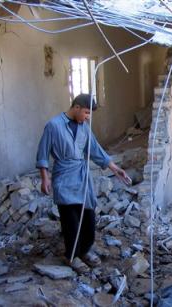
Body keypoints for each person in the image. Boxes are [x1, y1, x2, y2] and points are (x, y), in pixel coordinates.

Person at [36, 94, 131, 271]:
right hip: (63, 176)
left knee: (88, 217)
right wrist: (45, 178)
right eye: (86, 112)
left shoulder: (84, 128)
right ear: (76, 107)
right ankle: (71, 256)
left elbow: (96, 150)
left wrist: (115, 169)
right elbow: (42, 154)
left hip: (82, 177)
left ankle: (85, 250)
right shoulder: (53, 126)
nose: (87, 117)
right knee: (70, 218)